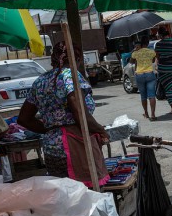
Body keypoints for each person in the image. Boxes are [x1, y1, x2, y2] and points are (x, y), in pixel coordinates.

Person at [17, 42, 109, 180]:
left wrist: (51, 129)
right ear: (77, 59)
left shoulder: (40, 81)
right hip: (73, 145)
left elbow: (24, 118)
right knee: (84, 193)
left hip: (51, 147)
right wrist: (100, 129)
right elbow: (79, 112)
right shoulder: (70, 75)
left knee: (63, 193)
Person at [130, 36, 157, 121]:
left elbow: (131, 61)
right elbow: (153, 61)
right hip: (149, 74)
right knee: (152, 95)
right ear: (148, 44)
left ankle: (146, 113)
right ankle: (153, 114)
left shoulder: (136, 52)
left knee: (143, 96)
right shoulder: (151, 51)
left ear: (140, 45)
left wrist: (134, 51)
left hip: (139, 75)